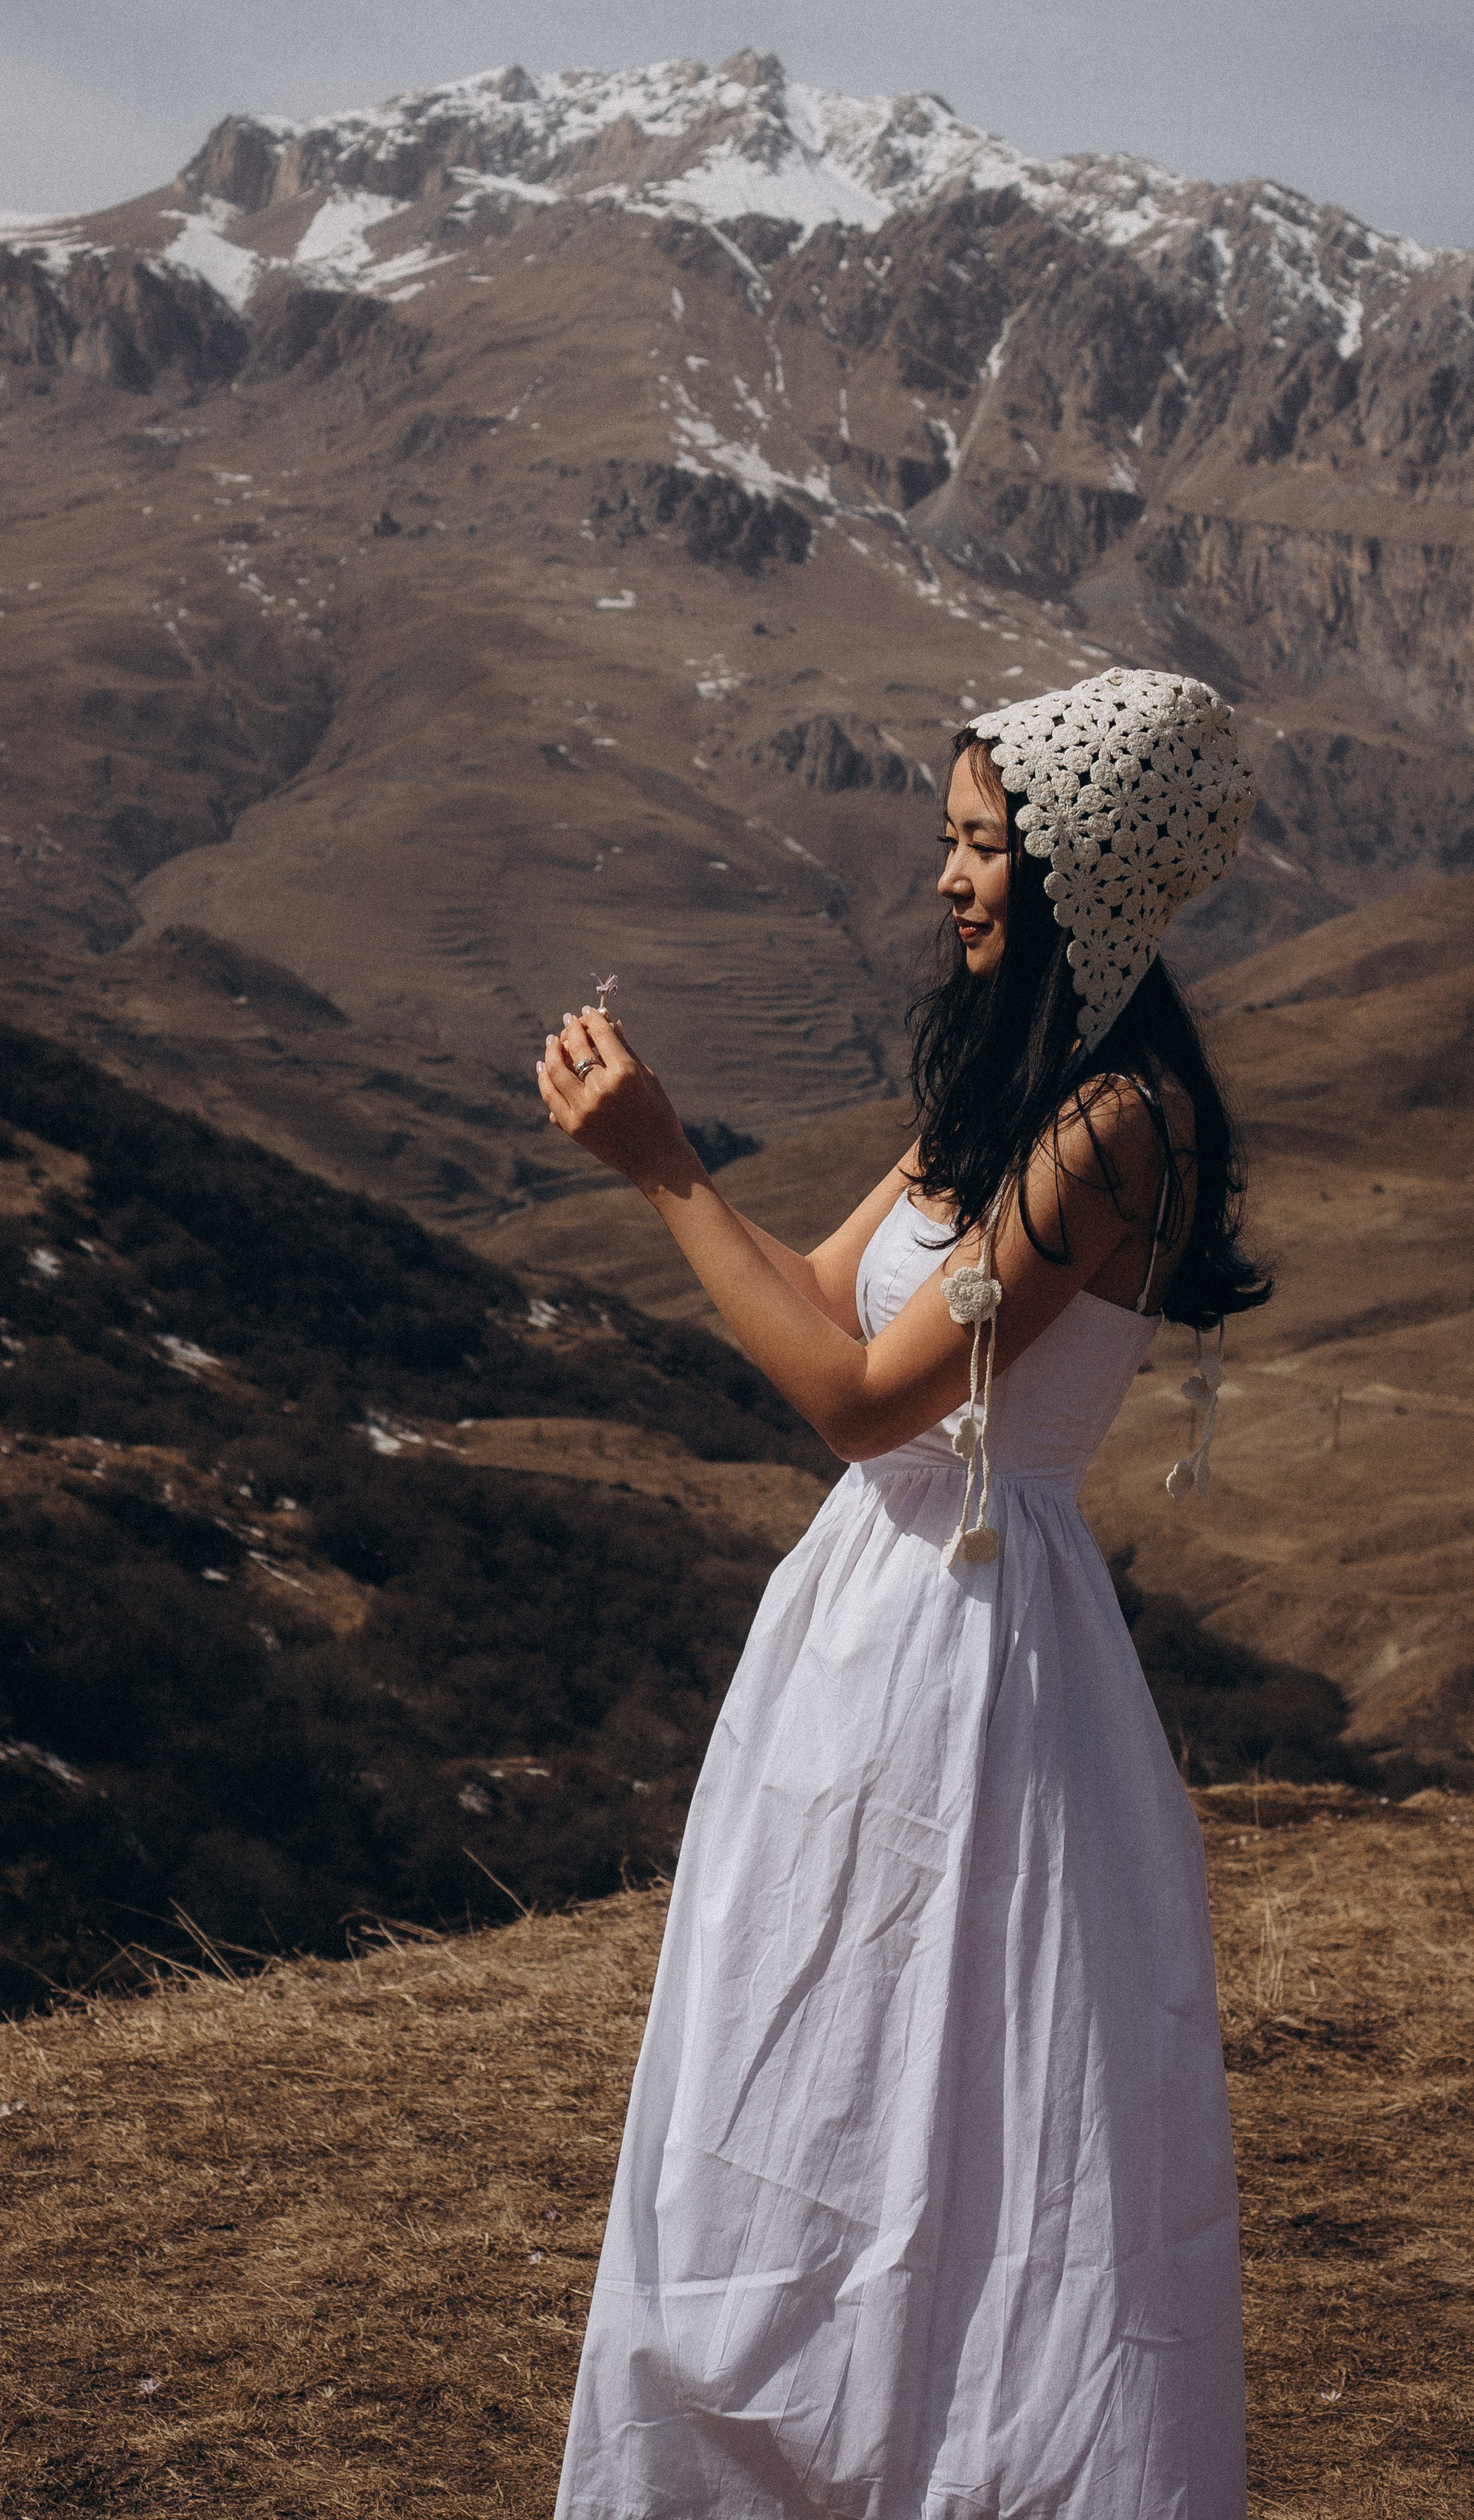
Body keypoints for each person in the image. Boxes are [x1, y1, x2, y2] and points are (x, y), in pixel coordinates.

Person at [538, 668, 1269, 2520]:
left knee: (974, 2091)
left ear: (1080, 871)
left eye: (981, 846)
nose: (947, 882)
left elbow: (866, 1398)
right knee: (819, 2060)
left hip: (978, 1648)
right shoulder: (1006, 1092)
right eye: (947, 841)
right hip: (868, 1629)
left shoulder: (1111, 1126)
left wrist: (661, 1171)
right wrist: (684, 1186)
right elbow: (815, 1285)